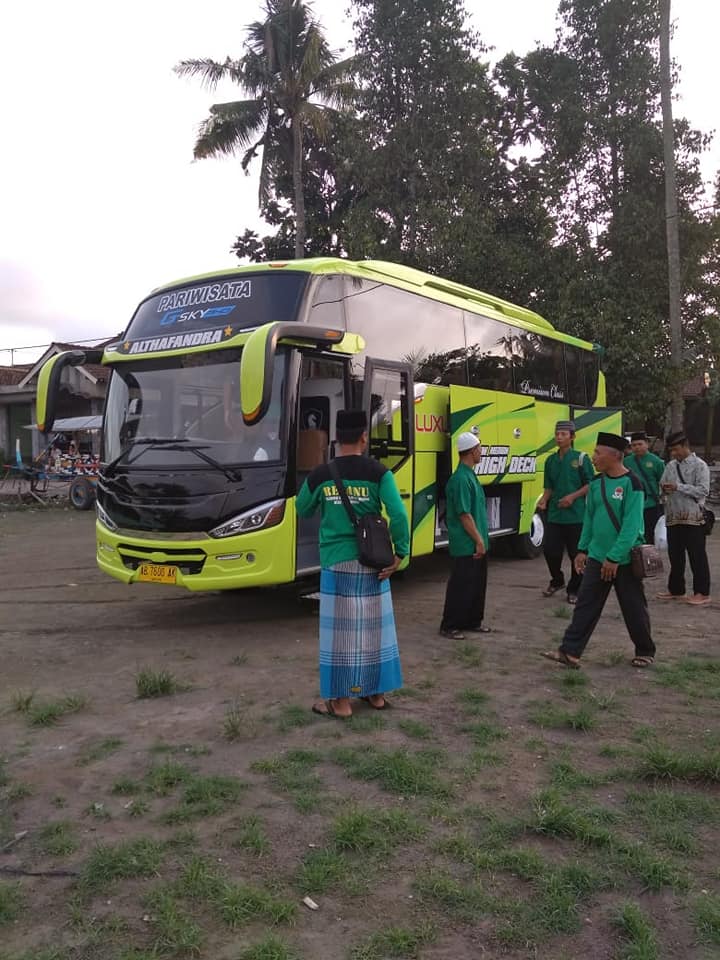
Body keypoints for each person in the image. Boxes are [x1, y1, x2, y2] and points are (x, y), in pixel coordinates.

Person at [295, 409, 409, 718]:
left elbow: (301, 508)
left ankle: (341, 702)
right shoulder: (379, 472)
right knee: (375, 628)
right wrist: (402, 553)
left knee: (340, 634)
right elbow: (398, 514)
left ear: (336, 439)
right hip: (374, 561)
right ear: (363, 437)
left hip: (336, 561)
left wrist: (327, 501)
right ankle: (375, 695)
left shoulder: (321, 474)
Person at [542, 432, 656, 669]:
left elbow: (631, 526)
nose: (593, 457)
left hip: (623, 560)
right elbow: (590, 519)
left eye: (597, 453)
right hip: (596, 557)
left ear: (614, 456)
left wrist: (614, 557)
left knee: (633, 606)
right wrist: (582, 549)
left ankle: (645, 650)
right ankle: (570, 652)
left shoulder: (632, 484)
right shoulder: (596, 483)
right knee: (586, 605)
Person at [439, 432, 491, 640]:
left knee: (477, 584)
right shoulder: (460, 479)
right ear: (471, 451)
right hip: (466, 543)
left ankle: (472, 621)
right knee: (461, 585)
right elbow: (464, 514)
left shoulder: (470, 475)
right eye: (479, 448)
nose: (481, 452)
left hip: (476, 542)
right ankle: (450, 625)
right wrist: (478, 540)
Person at [538, 420, 594, 604]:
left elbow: (590, 484)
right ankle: (557, 580)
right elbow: (549, 487)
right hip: (555, 514)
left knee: (575, 555)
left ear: (572, 437)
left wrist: (573, 497)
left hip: (576, 515)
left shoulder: (581, 458)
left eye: (563, 434)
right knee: (550, 550)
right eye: (557, 434)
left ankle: (575, 589)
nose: (559, 437)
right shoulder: (550, 460)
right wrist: (544, 499)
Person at [657, 430, 711, 605]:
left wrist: (679, 487)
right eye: (671, 450)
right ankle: (676, 589)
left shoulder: (700, 465)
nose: (674, 453)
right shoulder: (670, 466)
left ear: (685, 446)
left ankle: (702, 592)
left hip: (693, 518)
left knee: (697, 556)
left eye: (676, 449)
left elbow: (703, 490)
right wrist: (664, 490)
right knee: (675, 556)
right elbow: (662, 485)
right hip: (673, 517)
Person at [624, 431, 665, 546]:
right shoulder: (626, 461)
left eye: (640, 444)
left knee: (649, 535)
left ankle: (649, 560)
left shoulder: (656, 461)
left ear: (647, 444)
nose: (637, 447)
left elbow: (662, 481)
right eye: (634, 445)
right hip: (631, 504)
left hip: (650, 505)